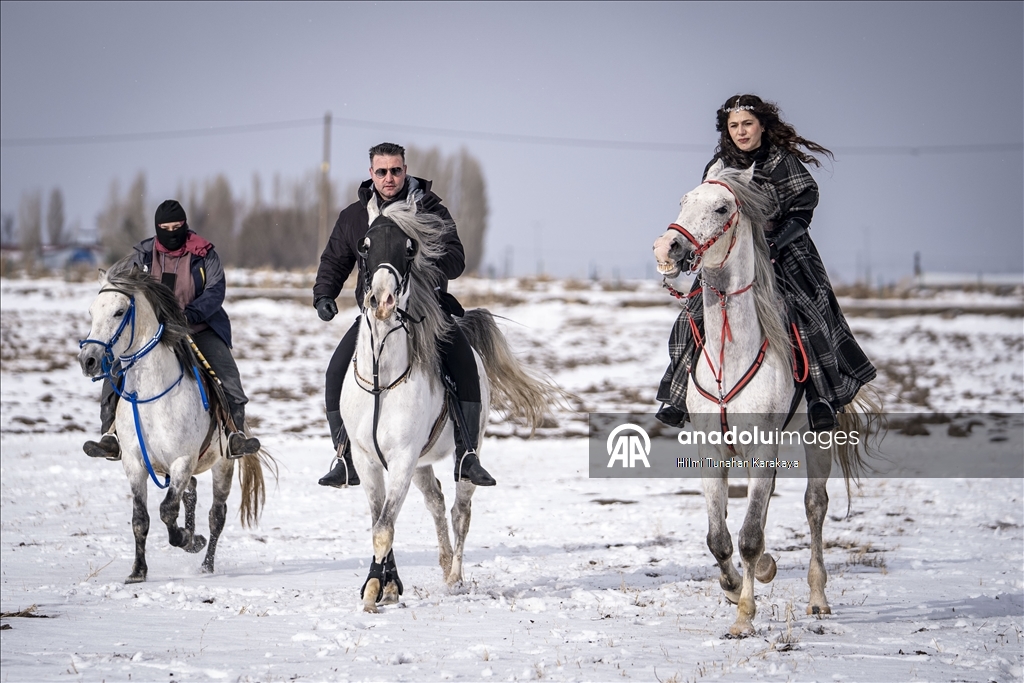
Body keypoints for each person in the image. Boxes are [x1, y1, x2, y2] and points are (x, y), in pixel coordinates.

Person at [656, 94, 876, 431]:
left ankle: (820, 399)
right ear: (726, 130)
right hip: (731, 255)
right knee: (689, 320)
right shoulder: (718, 167)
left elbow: (803, 211)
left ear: (761, 126)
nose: (741, 132)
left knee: (808, 317)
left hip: (784, 252)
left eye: (747, 124)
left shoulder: (781, 161)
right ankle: (678, 395)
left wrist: (774, 243)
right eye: (734, 126)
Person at [313, 142, 495, 488]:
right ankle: (343, 455)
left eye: (395, 170)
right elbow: (335, 260)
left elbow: (456, 258)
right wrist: (323, 295)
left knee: (463, 361)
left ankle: (468, 454)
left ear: (405, 170)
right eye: (381, 172)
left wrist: (421, 257)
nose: (389, 178)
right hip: (375, 316)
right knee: (336, 370)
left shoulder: (428, 209)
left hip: (427, 312)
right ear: (371, 174)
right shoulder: (354, 217)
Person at [83, 200, 261, 460]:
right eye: (165, 227)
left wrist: (189, 315)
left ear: (185, 225)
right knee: (116, 369)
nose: (171, 231)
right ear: (157, 228)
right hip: (152, 334)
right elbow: (117, 285)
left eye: (176, 226)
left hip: (199, 326)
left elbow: (215, 290)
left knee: (227, 373)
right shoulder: (143, 256)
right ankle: (110, 434)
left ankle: (234, 434)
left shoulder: (204, 254)